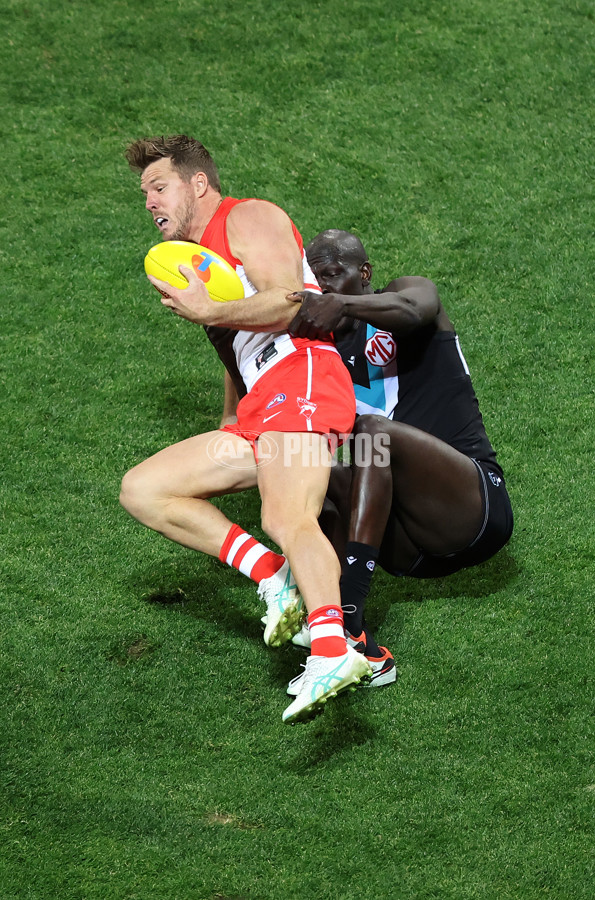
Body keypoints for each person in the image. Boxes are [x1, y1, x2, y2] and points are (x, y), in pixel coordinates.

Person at [119, 138, 371, 724]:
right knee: (145, 489)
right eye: (143, 194)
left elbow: (290, 302)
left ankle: (334, 650)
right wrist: (232, 420)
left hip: (304, 376)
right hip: (265, 402)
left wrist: (208, 312)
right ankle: (273, 575)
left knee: (287, 517)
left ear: (197, 185)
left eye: (159, 187)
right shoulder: (197, 262)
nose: (150, 201)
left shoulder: (246, 217)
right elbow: (242, 352)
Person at [284, 229, 514, 694]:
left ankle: (348, 617)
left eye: (334, 275)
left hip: (474, 508)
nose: (324, 287)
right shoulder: (322, 357)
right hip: (407, 549)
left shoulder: (402, 293)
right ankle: (360, 651)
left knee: (373, 433)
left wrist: (345, 307)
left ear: (364, 273)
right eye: (316, 279)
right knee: (300, 459)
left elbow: (416, 309)